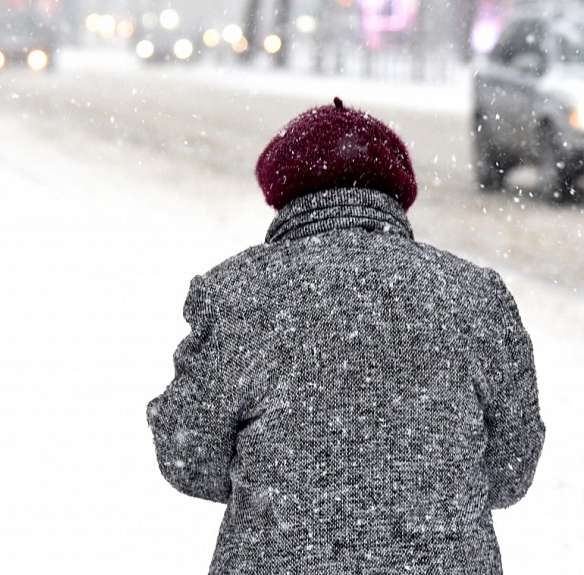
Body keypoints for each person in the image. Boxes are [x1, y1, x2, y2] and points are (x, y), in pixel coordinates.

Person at [146, 98, 545, 574]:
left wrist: (285, 487)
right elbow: (511, 469)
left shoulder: (237, 295)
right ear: (397, 193)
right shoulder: (474, 296)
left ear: (281, 193)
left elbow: (187, 455)